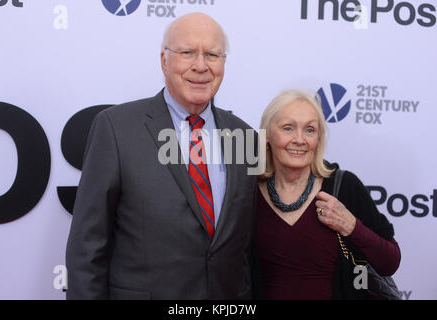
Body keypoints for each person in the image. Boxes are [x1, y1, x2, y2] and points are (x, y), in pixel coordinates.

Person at [65, 13, 257, 299]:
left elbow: (246, 245)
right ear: (164, 60)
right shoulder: (116, 128)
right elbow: (87, 246)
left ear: (224, 63)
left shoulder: (246, 137)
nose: (201, 66)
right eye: (187, 52)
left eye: (213, 54)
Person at [255, 89, 401, 299]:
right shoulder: (246, 191)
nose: (299, 139)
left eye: (310, 130)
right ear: (267, 135)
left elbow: (390, 262)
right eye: (288, 128)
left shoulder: (344, 186)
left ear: (319, 138)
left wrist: (352, 226)